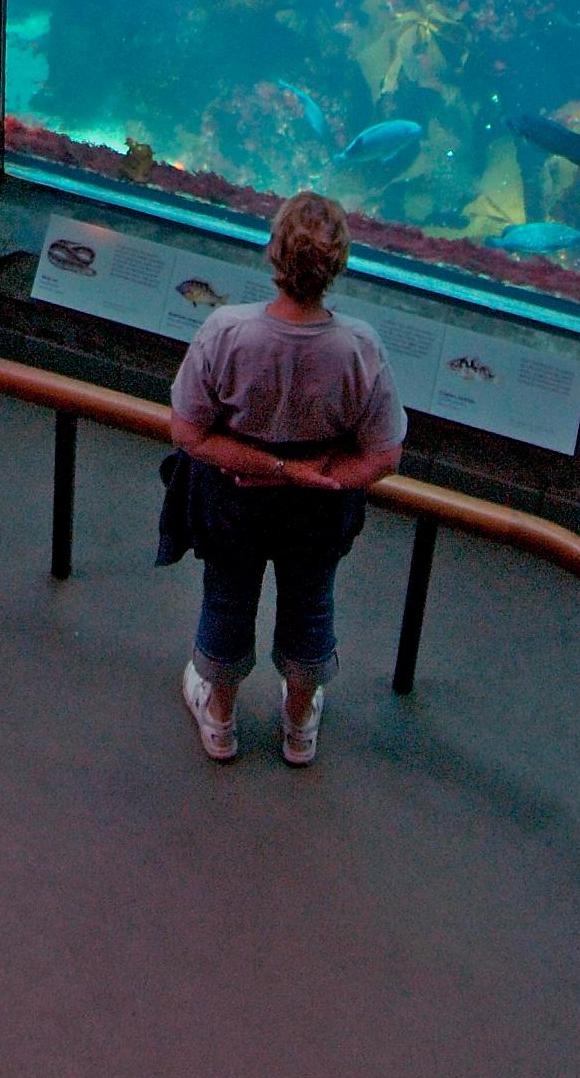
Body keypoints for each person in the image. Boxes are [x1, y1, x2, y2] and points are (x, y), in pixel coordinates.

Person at [167, 192, 405, 766]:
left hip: (233, 502)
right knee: (310, 605)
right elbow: (385, 455)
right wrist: (317, 477)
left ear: (273, 253)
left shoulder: (226, 332)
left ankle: (219, 721)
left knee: (226, 600)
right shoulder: (360, 347)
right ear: (339, 263)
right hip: (317, 512)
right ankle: (299, 728)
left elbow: (188, 432)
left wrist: (270, 468)